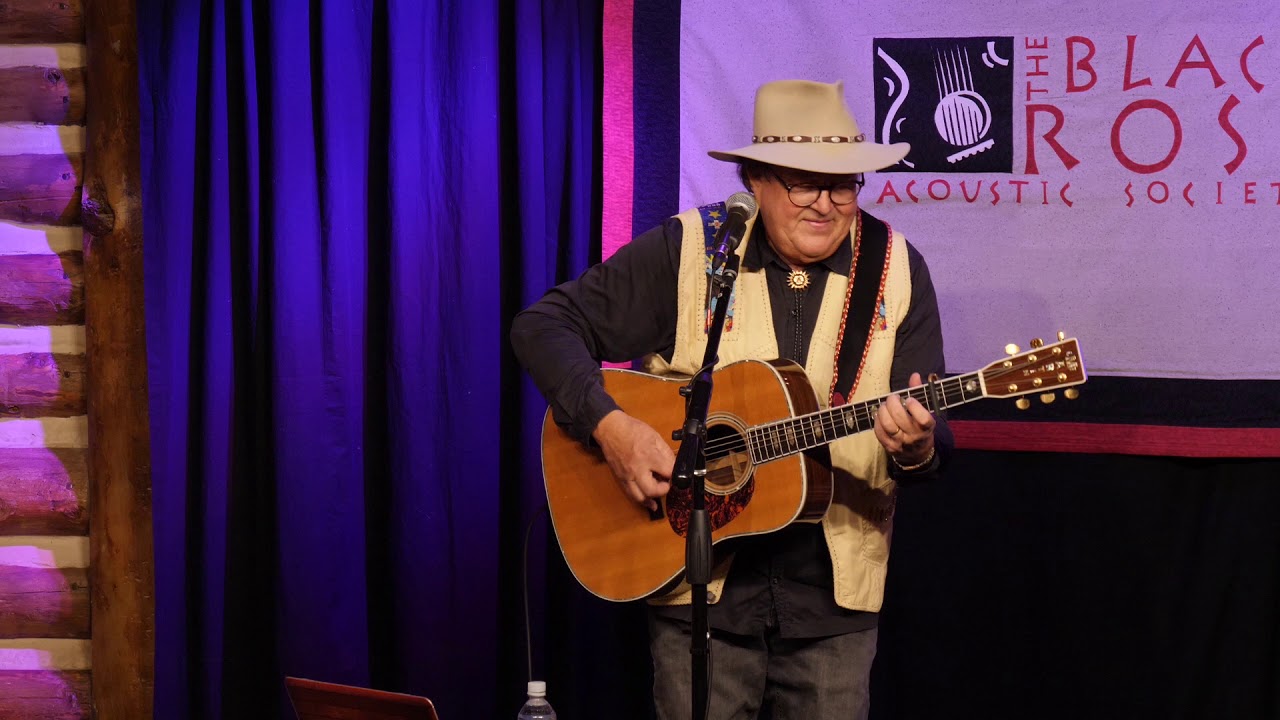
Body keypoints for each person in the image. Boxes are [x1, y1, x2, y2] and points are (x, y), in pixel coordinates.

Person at [511, 79, 952, 720]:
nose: (826, 204)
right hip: (699, 597)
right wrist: (610, 426)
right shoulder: (694, 250)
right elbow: (543, 326)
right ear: (755, 179)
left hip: (833, 604)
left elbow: (929, 431)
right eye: (803, 181)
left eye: (845, 183)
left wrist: (918, 446)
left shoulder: (898, 270)